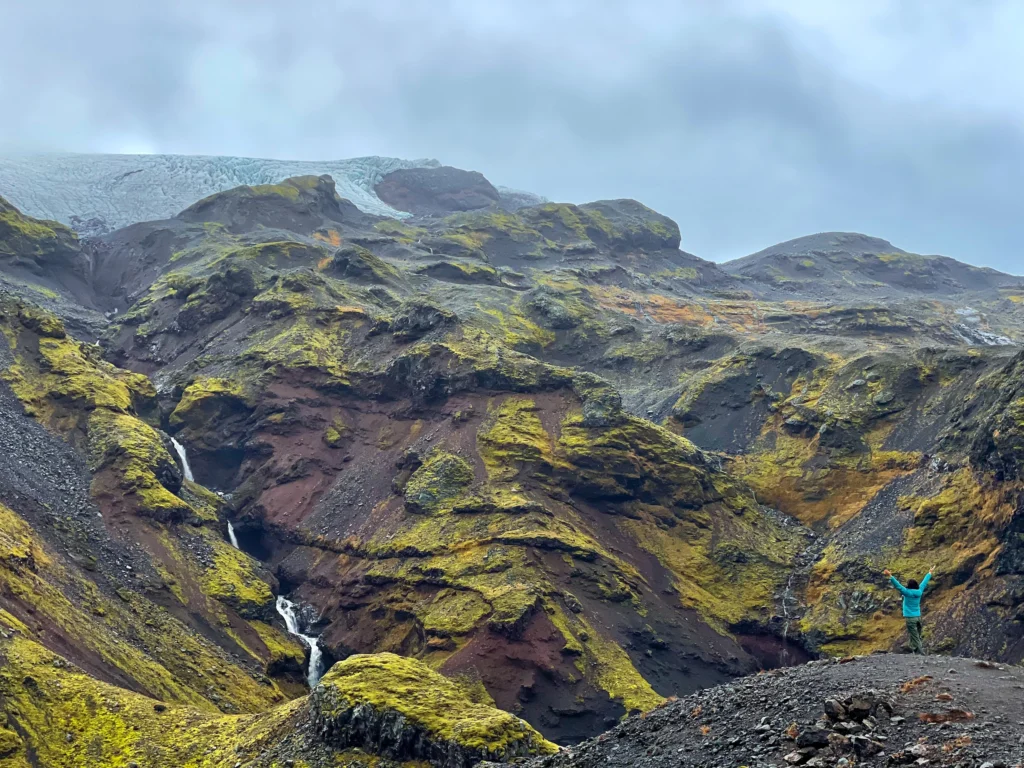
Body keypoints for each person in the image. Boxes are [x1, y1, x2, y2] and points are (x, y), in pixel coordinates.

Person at [883, 567, 933, 654]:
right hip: (918, 616)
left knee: (914, 636)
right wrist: (929, 572)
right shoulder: (919, 591)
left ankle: (920, 653)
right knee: (917, 635)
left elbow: (898, 586)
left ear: (909, 586)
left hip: (910, 618)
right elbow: (924, 582)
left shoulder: (907, 592)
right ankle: (913, 649)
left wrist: (890, 576)